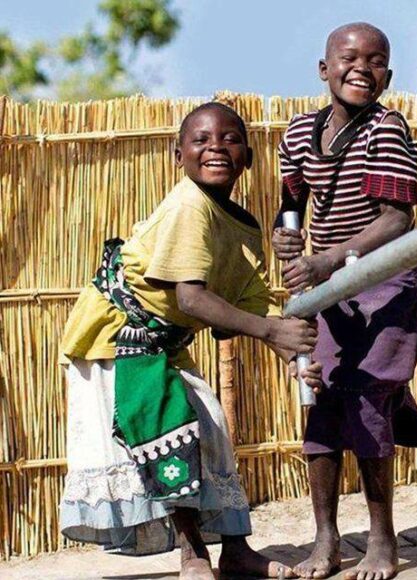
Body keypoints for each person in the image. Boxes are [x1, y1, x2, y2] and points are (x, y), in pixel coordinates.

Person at [59, 102, 322, 580]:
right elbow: (192, 298)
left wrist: (291, 353)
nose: (216, 148)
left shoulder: (243, 227)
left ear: (248, 158)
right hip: (117, 336)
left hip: (164, 339)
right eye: (201, 140)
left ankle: (236, 551)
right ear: (178, 155)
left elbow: (253, 303)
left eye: (230, 139)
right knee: (167, 435)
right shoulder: (189, 205)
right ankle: (193, 554)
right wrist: (271, 331)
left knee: (212, 430)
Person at [272, 23, 417, 580]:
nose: (361, 69)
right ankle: (325, 540)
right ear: (324, 69)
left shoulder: (386, 130)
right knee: (321, 396)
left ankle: (382, 540)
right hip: (330, 286)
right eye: (349, 58)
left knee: (367, 395)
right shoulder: (300, 133)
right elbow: (290, 203)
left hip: (384, 281)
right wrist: (285, 237)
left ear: (387, 77)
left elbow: (397, 220)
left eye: (375, 61)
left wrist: (327, 260)